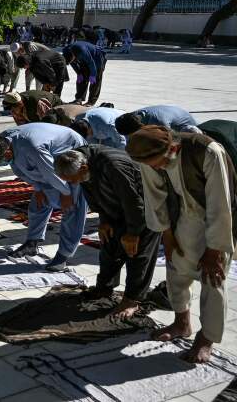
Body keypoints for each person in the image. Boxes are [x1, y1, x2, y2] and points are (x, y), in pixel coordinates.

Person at [126, 125, 236, 363]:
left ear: (172, 148)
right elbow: (154, 196)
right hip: (181, 217)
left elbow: (221, 204)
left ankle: (207, 338)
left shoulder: (207, 151)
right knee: (176, 269)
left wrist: (214, 249)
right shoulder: (149, 157)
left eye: (158, 163)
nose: (156, 168)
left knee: (213, 277)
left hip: (214, 218)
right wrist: (167, 235)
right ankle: (181, 322)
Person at [54, 146, 162, 319]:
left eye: (72, 180)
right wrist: (104, 220)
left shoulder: (113, 165)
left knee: (137, 253)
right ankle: (104, 288)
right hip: (118, 208)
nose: (71, 183)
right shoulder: (79, 159)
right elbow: (89, 188)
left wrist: (133, 233)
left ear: (83, 168)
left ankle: (132, 299)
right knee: (109, 244)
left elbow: (134, 201)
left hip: (146, 209)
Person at [0, 123, 88, 271]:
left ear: (8, 153)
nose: (2, 165)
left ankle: (63, 255)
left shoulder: (33, 147)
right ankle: (32, 243)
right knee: (39, 201)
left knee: (72, 208)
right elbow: (21, 170)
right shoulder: (4, 140)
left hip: (72, 154)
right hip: (50, 160)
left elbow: (51, 173)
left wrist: (67, 193)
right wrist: (38, 188)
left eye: (0, 162)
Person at [63, 40, 107, 106]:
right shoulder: (65, 51)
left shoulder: (82, 50)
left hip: (97, 58)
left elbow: (91, 63)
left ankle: (91, 101)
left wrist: (93, 75)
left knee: (95, 81)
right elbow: (73, 63)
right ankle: (79, 99)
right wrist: (79, 73)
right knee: (81, 79)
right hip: (83, 58)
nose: (73, 61)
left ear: (73, 56)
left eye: (73, 60)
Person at [115, 105, 202, 136]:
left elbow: (170, 143)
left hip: (186, 127)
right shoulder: (134, 115)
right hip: (174, 113)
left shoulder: (159, 123)